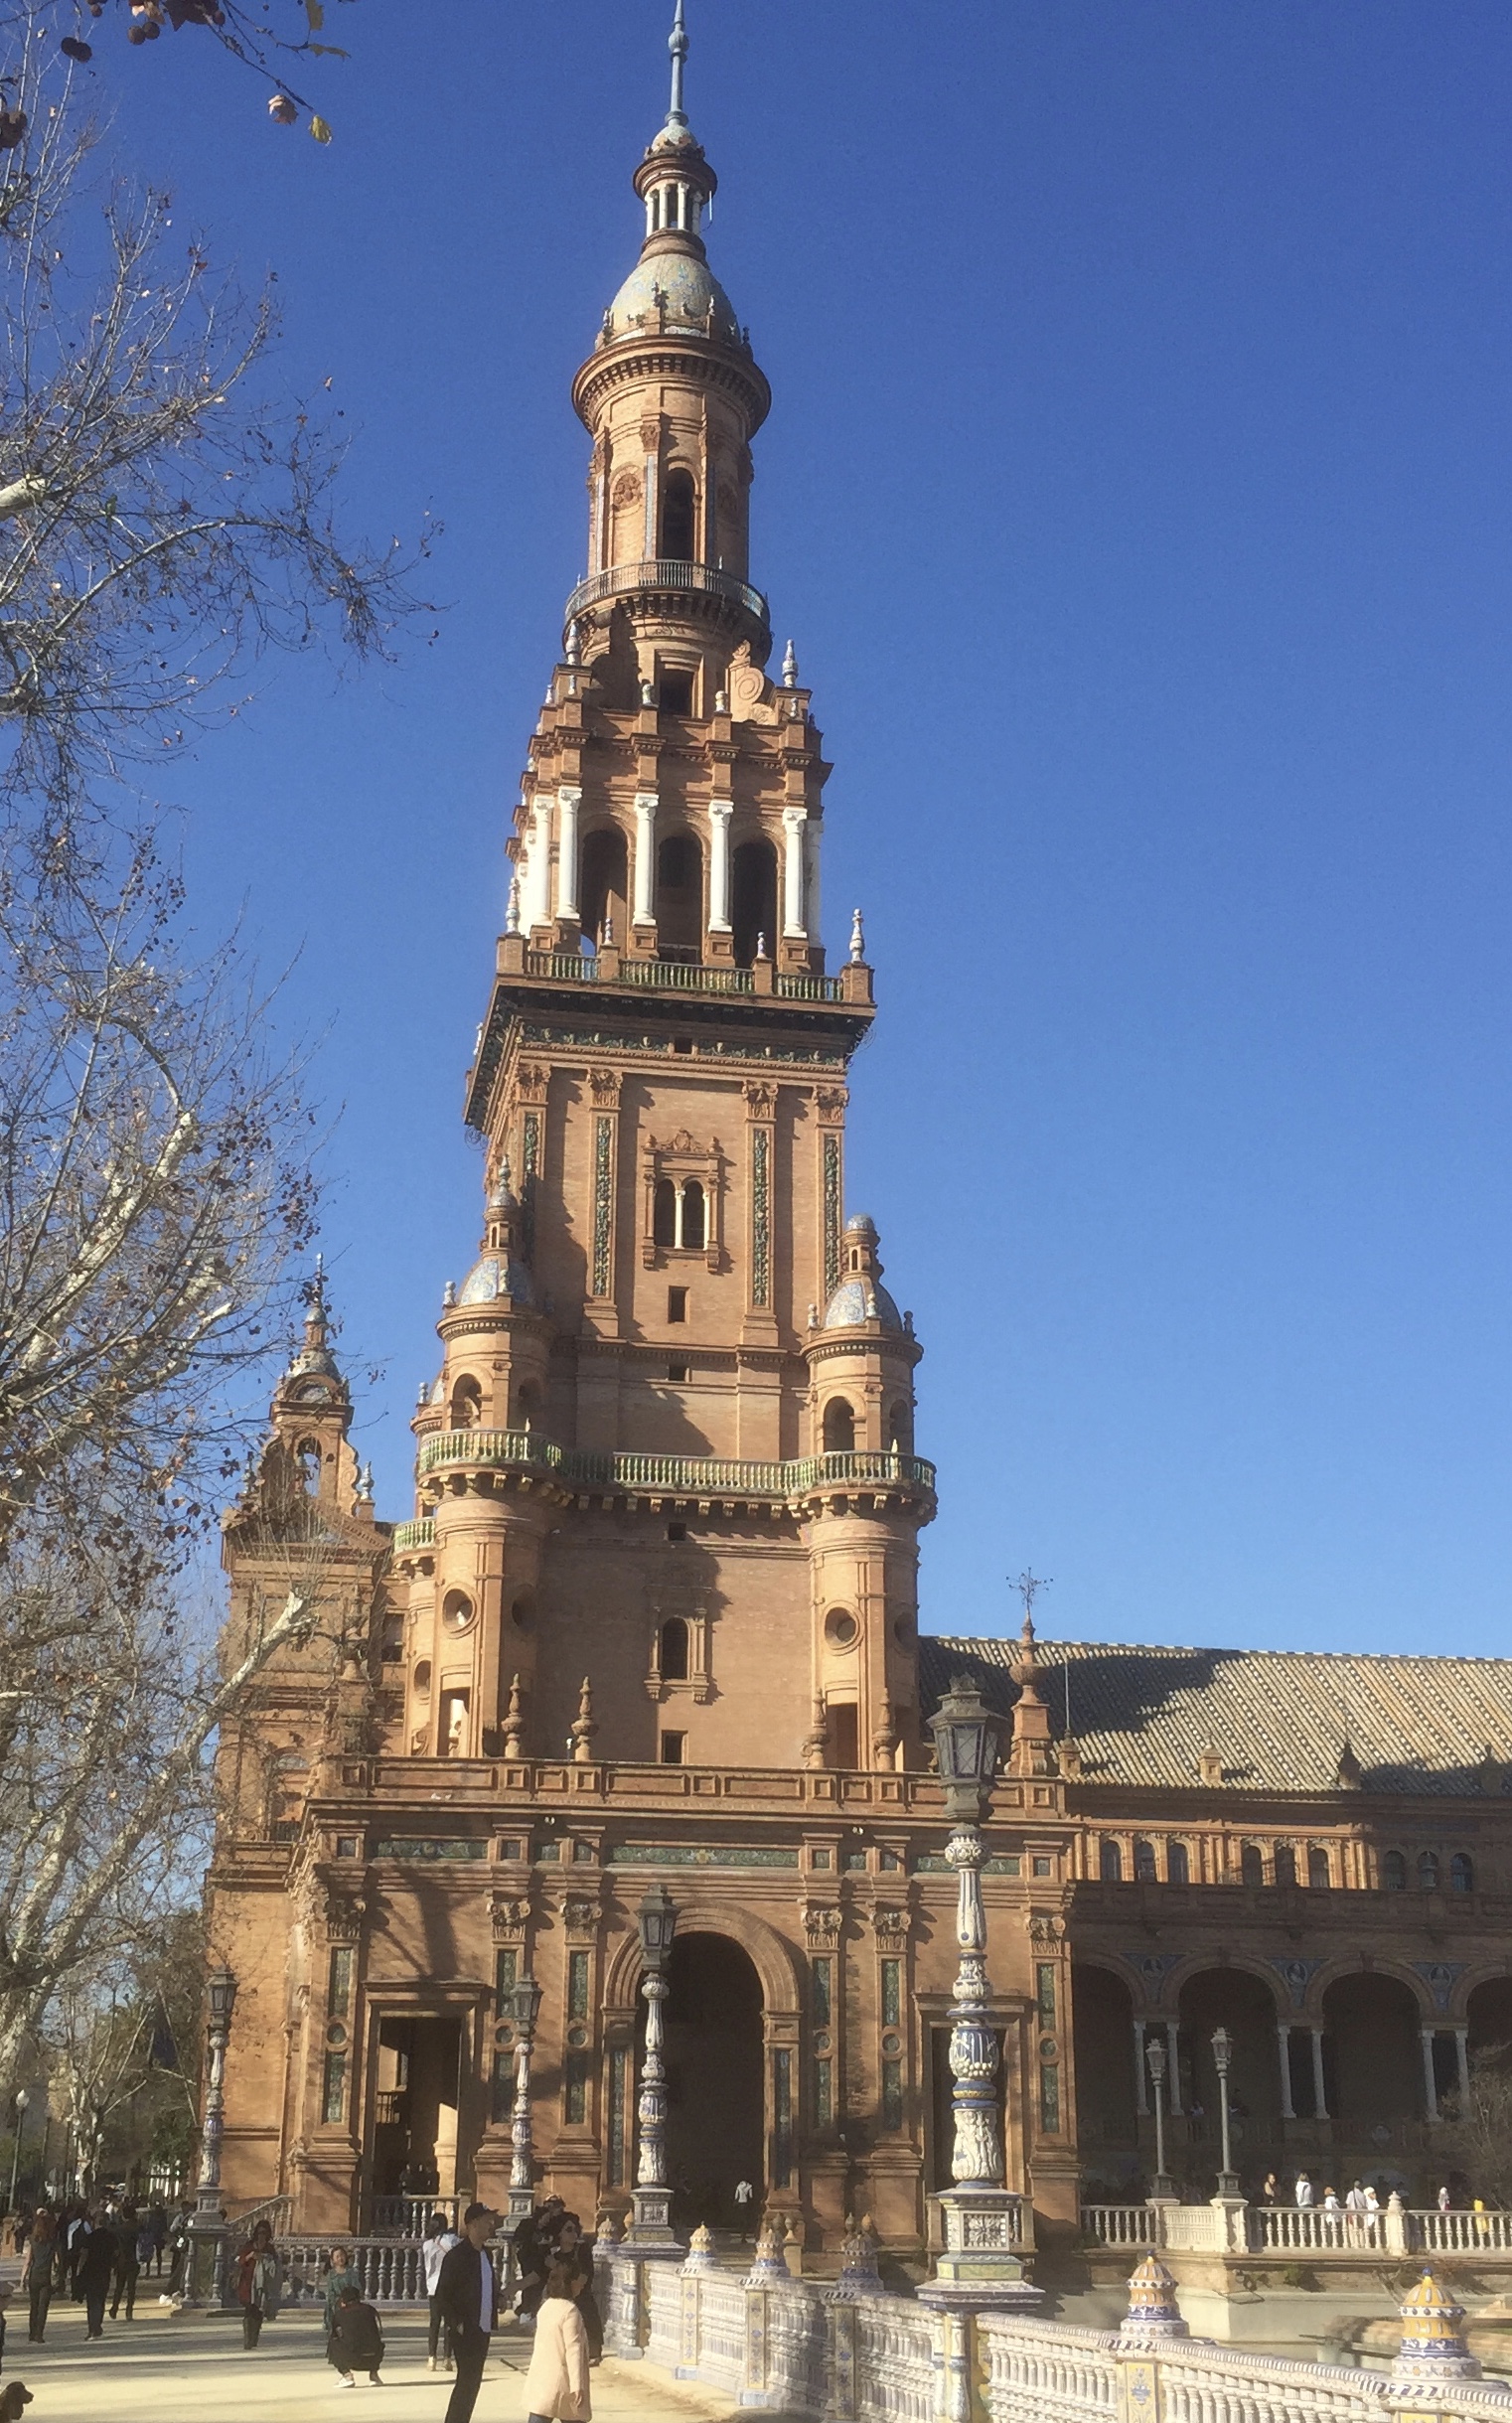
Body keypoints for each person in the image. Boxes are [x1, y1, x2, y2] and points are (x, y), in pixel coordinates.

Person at [435, 2201, 499, 2423]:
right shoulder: (456, 2257)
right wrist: (456, 2323)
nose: (491, 2225)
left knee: (473, 2382)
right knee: (467, 2380)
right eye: (486, 2221)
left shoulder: (486, 2255)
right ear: (472, 2224)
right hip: (465, 2329)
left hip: (483, 2327)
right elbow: (443, 2295)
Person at [523, 2256, 592, 2423]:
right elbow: (573, 2350)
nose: (582, 2283)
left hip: (542, 2379)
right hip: (563, 2383)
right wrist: (577, 2386)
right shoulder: (570, 2311)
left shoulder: (546, 2307)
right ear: (571, 2283)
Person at [552, 2215, 602, 2364]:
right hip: (561, 2303)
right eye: (569, 2229)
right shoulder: (554, 2255)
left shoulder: (583, 2251)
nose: (573, 2233)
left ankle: (592, 2353)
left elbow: (583, 2276)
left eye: (576, 2229)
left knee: (587, 2325)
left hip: (581, 2300)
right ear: (559, 2233)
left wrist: (572, 2295)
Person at [327, 2280, 385, 2389]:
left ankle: (347, 2375)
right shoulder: (370, 2310)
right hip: (373, 2356)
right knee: (376, 2342)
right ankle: (374, 2376)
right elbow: (378, 2332)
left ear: (343, 2300)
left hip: (352, 2357)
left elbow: (334, 2335)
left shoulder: (340, 2314)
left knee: (333, 2343)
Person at [422, 2208, 461, 2372]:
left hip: (433, 2286)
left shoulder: (427, 2245)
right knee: (450, 2324)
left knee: (434, 2323)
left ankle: (432, 2357)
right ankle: (447, 2358)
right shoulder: (451, 2240)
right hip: (450, 2286)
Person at [234, 2217, 280, 2349]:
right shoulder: (249, 2245)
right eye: (260, 2232)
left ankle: (254, 2338)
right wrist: (250, 2256)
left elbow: (275, 2266)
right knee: (249, 2310)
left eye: (264, 2233)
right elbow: (240, 2260)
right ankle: (248, 2339)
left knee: (259, 2312)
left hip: (263, 2285)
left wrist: (266, 2258)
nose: (261, 2235)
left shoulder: (269, 2248)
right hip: (248, 2284)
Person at [76, 2207, 117, 2341]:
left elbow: (84, 2255)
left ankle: (92, 2328)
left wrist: (79, 2270)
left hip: (91, 2270)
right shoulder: (111, 2237)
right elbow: (117, 2253)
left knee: (91, 2301)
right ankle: (97, 2325)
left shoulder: (90, 2237)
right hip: (104, 2270)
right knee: (101, 2299)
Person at [20, 2211, 57, 2346]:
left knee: (33, 2306)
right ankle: (39, 2334)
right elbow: (56, 2260)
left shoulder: (33, 2241)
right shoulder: (52, 2241)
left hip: (34, 2275)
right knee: (43, 2308)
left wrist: (22, 2278)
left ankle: (31, 2333)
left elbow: (28, 2261)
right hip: (46, 2276)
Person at [110, 2202, 141, 2321]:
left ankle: (115, 2307)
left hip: (121, 2261)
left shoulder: (119, 2229)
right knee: (131, 2288)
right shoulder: (137, 2227)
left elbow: (114, 2247)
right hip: (133, 2260)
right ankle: (129, 2310)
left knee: (119, 2286)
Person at [321, 2246, 353, 2339]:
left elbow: (356, 2287)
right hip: (336, 2302)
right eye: (337, 2256)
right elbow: (330, 2291)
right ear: (333, 2260)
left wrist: (348, 2300)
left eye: (342, 2255)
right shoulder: (331, 2274)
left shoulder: (352, 2272)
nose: (340, 2258)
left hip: (350, 2301)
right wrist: (339, 2301)